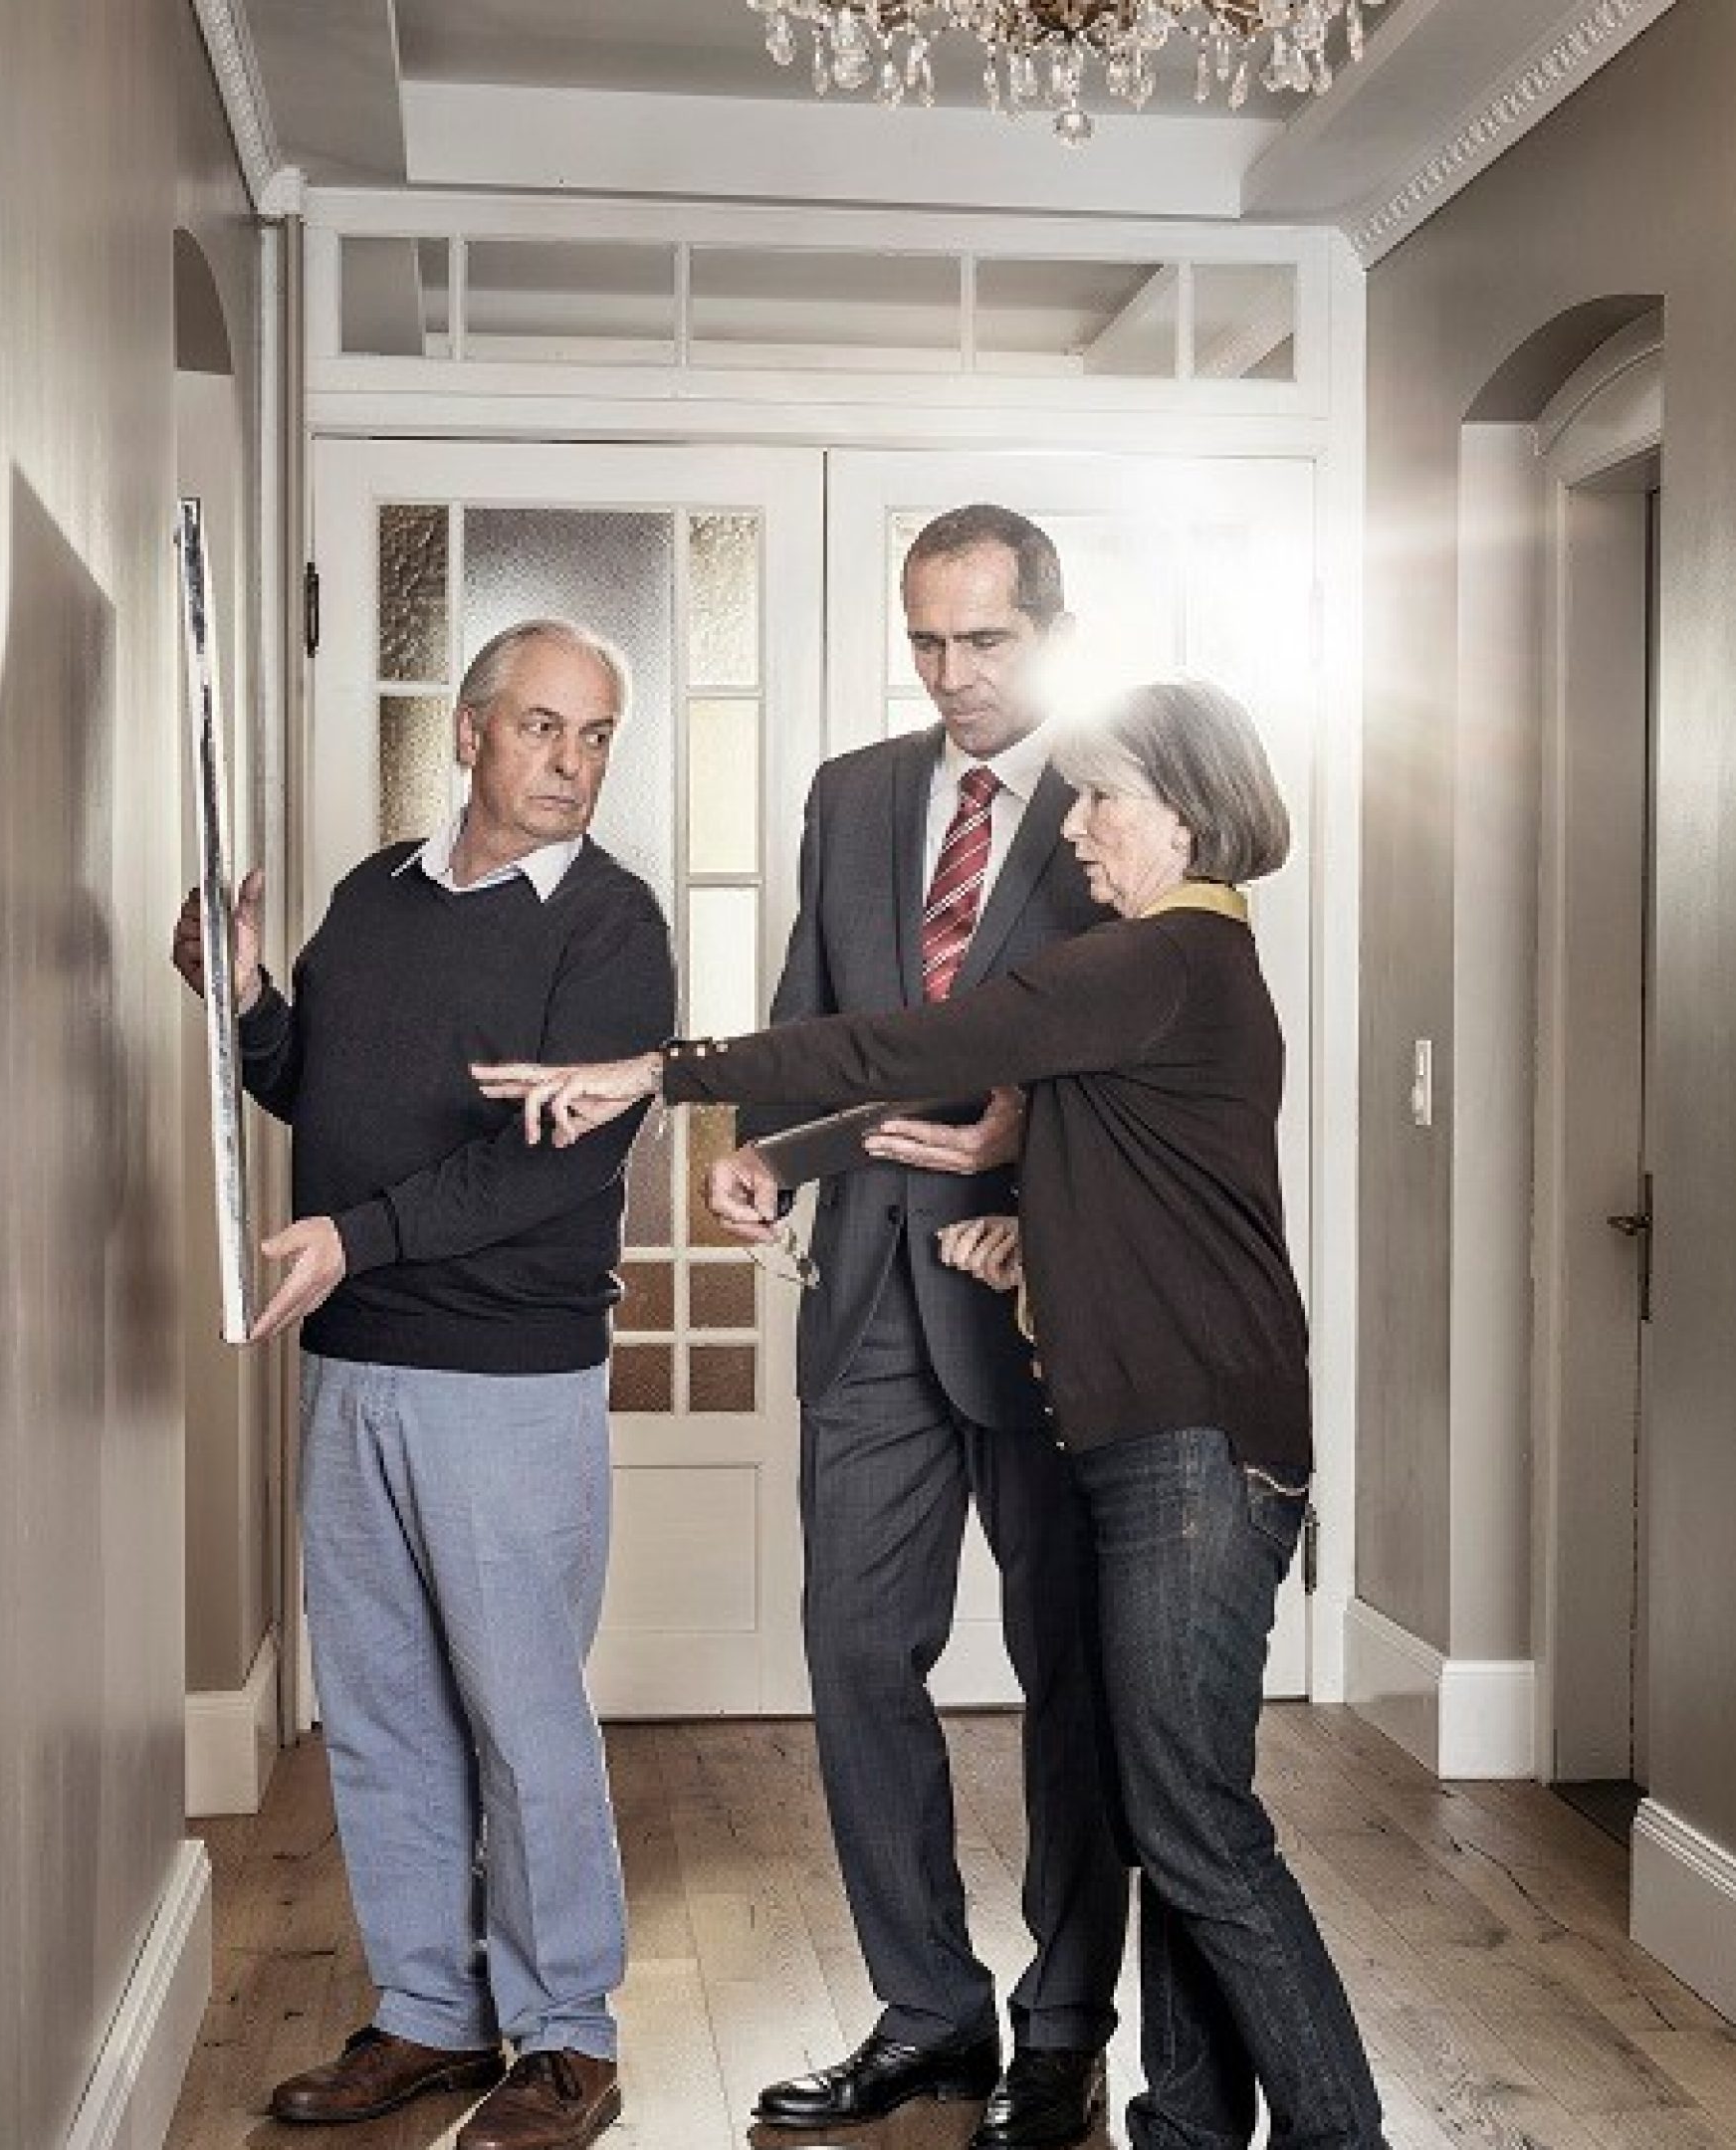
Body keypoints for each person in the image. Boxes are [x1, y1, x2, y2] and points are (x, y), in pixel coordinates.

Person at [481, 681, 1388, 2150]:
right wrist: (1032, 1235)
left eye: (1106, 801)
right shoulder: (1176, 975)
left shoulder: (1160, 957)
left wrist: (660, 1073)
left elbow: (896, 1042)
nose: (1078, 828)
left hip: (1194, 1457)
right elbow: (1165, 1189)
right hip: (1169, 1440)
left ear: (1191, 810)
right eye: (1077, 795)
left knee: (1201, 1832)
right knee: (1181, 1815)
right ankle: (1193, 2131)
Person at [169, 619, 670, 2150]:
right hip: (354, 1353)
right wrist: (241, 1001)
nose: (571, 763)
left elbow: (553, 1158)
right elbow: (315, 1082)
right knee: (383, 1707)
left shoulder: (610, 926)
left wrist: (356, 1235)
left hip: (504, 1375)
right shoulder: (375, 899)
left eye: (594, 736)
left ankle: (567, 2034)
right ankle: (432, 2016)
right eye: (540, 729)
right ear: (468, 735)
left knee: (523, 1715)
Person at [696, 505, 1128, 2148]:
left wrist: (1033, 1140)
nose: (953, 677)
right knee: (858, 1653)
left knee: (1065, 1669)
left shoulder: (1125, 798)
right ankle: (930, 2015)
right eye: (927, 643)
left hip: (1042, 1301)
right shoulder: (855, 795)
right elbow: (827, 1034)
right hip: (873, 1295)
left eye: (987, 641)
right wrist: (765, 1156)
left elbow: (1158, 1059)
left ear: (1054, 624)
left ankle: (1067, 2030)